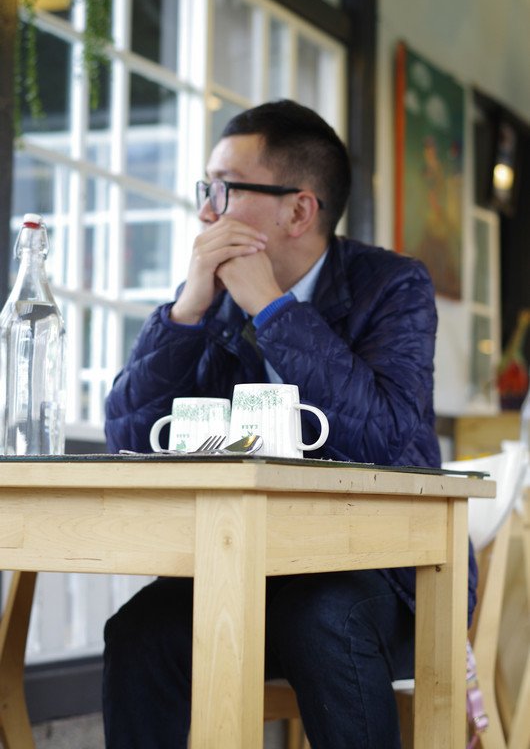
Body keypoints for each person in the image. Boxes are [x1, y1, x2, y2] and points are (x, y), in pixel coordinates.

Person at [103, 99, 477, 749]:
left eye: (223, 190)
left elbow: (386, 435)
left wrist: (273, 310)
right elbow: (130, 439)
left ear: (299, 211)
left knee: (321, 616)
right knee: (140, 633)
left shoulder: (394, 286)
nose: (205, 212)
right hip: (250, 566)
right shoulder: (212, 301)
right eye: (204, 189)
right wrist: (186, 312)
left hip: (392, 574)